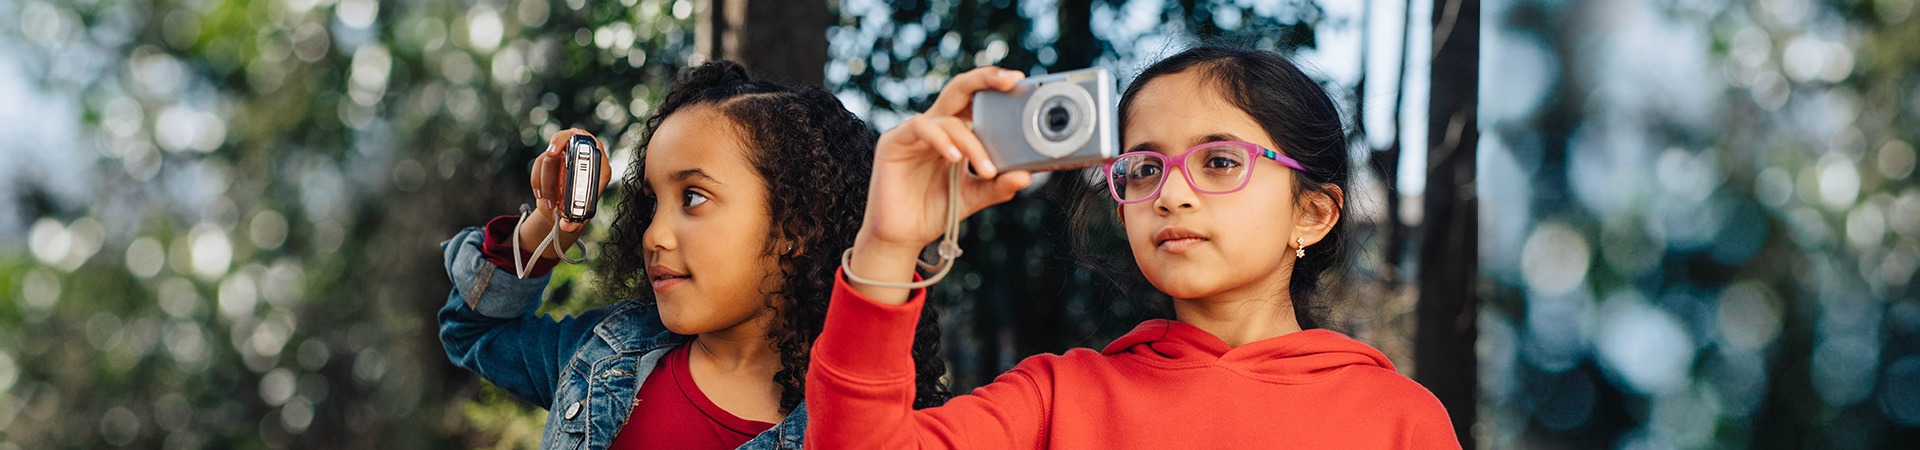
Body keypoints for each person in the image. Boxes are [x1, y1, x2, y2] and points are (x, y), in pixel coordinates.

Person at [806, 45, 1461, 448]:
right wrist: (889, 243)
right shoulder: (1056, 398)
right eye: (1145, 169)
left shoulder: (1398, 421)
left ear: (1313, 213)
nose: (1171, 195)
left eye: (1220, 161)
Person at [438, 60, 950, 450]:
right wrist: (546, 227)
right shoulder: (603, 357)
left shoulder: (859, 428)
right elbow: (474, 331)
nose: (654, 235)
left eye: (693, 197)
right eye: (652, 204)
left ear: (797, 224)